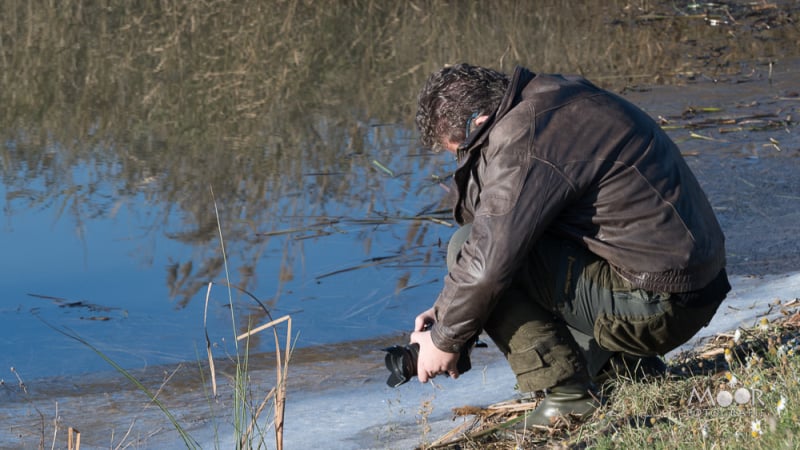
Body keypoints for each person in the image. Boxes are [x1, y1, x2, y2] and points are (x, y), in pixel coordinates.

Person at [409, 63, 730, 428]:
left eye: (464, 150)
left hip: (660, 305)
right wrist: (445, 308)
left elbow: (486, 265)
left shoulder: (523, 140)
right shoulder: (554, 97)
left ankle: (567, 397)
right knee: (493, 248)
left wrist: (444, 340)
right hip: (695, 283)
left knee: (467, 248)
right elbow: (503, 235)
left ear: (481, 121)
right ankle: (624, 366)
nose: (463, 158)